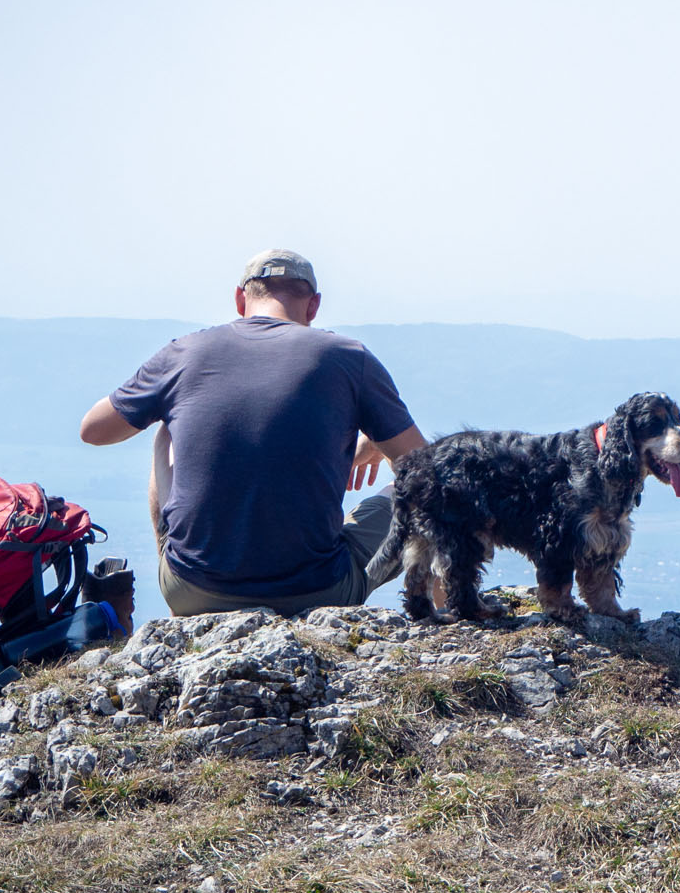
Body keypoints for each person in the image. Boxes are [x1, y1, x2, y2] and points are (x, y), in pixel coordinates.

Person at [79, 249, 426, 617]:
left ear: (240, 299)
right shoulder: (349, 358)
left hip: (192, 590)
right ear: (314, 307)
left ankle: (178, 577)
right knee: (422, 496)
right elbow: (427, 472)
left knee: (166, 431)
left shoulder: (184, 352)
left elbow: (93, 430)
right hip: (321, 592)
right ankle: (442, 609)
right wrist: (376, 442)